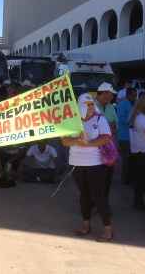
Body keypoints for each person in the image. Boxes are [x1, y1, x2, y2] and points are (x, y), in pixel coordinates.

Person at [62, 93, 113, 242]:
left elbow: (106, 137)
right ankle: (86, 225)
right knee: (84, 195)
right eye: (87, 104)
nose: (90, 107)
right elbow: (64, 141)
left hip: (95, 163)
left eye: (91, 104)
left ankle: (108, 229)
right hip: (77, 162)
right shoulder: (70, 120)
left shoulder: (100, 118)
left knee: (99, 196)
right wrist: (77, 140)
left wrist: (89, 144)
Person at [116, 88, 136, 185]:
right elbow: (124, 120)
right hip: (125, 136)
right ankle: (125, 180)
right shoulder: (126, 104)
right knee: (126, 159)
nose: (135, 97)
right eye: (133, 95)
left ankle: (125, 179)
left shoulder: (123, 104)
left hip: (123, 135)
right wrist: (133, 122)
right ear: (128, 95)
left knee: (125, 159)